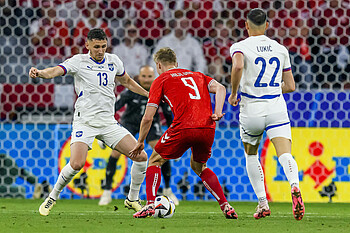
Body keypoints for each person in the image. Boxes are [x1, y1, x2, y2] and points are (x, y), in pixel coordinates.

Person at [29, 28, 149, 216]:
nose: (100, 50)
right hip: (84, 122)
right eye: (96, 47)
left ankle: (132, 198)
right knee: (77, 164)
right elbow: (56, 70)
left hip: (108, 123)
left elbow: (127, 81)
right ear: (87, 45)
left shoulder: (113, 61)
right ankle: (52, 196)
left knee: (141, 157)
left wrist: (148, 94)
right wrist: (41, 73)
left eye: (103, 46)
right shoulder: (79, 61)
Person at [130, 47, 238, 219]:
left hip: (184, 127)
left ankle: (150, 205)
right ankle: (226, 206)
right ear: (177, 63)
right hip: (207, 127)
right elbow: (221, 88)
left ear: (158, 65)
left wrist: (141, 140)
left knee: (155, 160)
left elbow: (148, 117)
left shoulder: (161, 80)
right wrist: (217, 112)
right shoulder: (198, 75)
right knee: (199, 167)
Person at [228, 8, 305, 221]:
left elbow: (238, 65)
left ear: (246, 25)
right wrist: (270, 90)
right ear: (267, 26)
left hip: (251, 108)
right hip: (275, 107)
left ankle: (263, 203)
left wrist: (234, 93)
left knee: (251, 154)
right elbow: (290, 86)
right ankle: (295, 186)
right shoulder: (280, 49)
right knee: (285, 154)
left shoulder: (239, 46)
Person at [98, 65, 179, 206]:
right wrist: (104, 128)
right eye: (144, 76)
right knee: (115, 154)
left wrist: (174, 137)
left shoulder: (160, 89)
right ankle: (107, 191)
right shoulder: (131, 90)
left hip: (151, 124)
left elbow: (168, 114)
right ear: (139, 77)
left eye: (149, 76)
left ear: (154, 77)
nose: (147, 80)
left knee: (161, 153)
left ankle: (167, 189)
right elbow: (114, 107)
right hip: (130, 123)